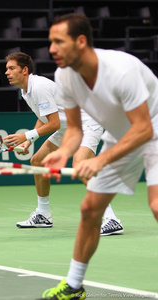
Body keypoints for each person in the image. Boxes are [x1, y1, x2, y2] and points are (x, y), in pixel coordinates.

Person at [36, 13, 158, 300]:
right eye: (50, 42)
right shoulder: (64, 75)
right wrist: (64, 153)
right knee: (90, 209)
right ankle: (74, 286)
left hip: (153, 128)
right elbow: (75, 130)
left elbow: (143, 129)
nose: (51, 49)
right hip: (120, 135)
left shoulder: (120, 70)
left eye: (58, 41)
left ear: (80, 41)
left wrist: (99, 160)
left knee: (156, 205)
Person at [3, 52, 123, 236]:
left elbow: (54, 123)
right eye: (7, 69)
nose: (7, 72)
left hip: (87, 123)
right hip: (68, 128)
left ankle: (111, 218)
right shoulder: (26, 90)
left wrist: (26, 135)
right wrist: (29, 140)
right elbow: (44, 117)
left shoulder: (39, 86)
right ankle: (43, 215)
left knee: (80, 165)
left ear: (24, 70)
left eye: (11, 68)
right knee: (38, 161)